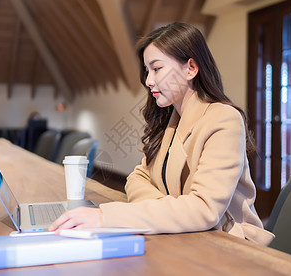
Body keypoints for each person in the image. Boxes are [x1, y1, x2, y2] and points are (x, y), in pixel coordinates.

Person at [49, 22, 274, 245]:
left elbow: (204, 209)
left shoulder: (223, 119)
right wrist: (169, 209)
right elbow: (137, 178)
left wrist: (105, 217)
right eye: (147, 71)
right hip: (189, 237)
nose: (148, 81)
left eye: (156, 69)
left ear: (191, 68)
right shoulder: (171, 121)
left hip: (230, 245)